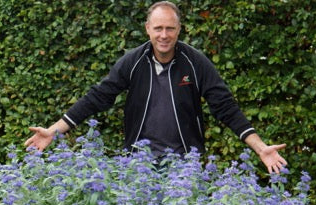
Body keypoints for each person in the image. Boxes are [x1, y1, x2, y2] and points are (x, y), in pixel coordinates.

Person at [25, 1, 287, 174]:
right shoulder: (133, 61)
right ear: (148, 29)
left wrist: (260, 147)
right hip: (139, 164)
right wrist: (53, 131)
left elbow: (225, 107)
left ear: (179, 30)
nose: (164, 35)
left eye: (170, 28)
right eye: (158, 28)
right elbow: (98, 97)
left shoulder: (195, 63)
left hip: (185, 166)